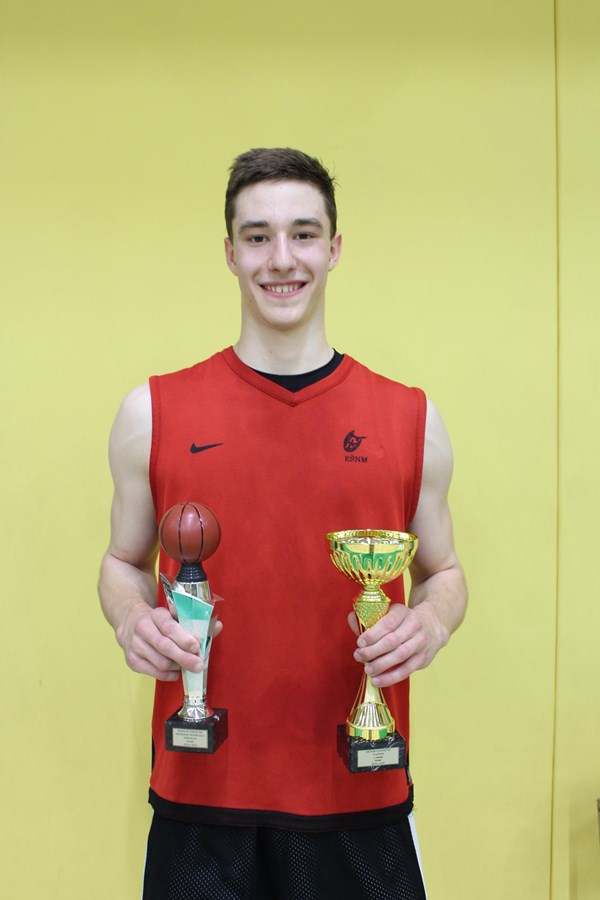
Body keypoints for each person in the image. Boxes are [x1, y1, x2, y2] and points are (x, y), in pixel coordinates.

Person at [99, 148, 467, 900]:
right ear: (230, 253)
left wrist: (429, 626)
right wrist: (132, 619)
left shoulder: (411, 418)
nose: (281, 259)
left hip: (356, 793)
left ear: (334, 248)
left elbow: (446, 574)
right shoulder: (152, 411)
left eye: (303, 234)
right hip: (202, 797)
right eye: (258, 236)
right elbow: (121, 563)